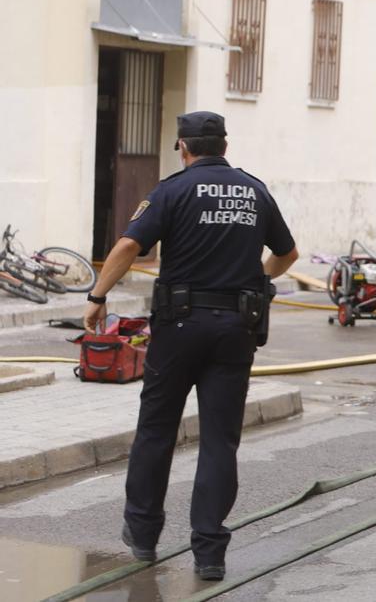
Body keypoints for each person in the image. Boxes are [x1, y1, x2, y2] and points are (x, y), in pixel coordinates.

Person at [85, 111, 299, 581]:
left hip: (179, 328)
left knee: (157, 431)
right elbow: (288, 253)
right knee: (220, 440)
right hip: (235, 331)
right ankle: (209, 554)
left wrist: (98, 297)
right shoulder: (254, 190)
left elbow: (126, 247)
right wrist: (257, 278)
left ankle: (143, 537)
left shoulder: (172, 190)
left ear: (183, 147)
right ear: (225, 146)